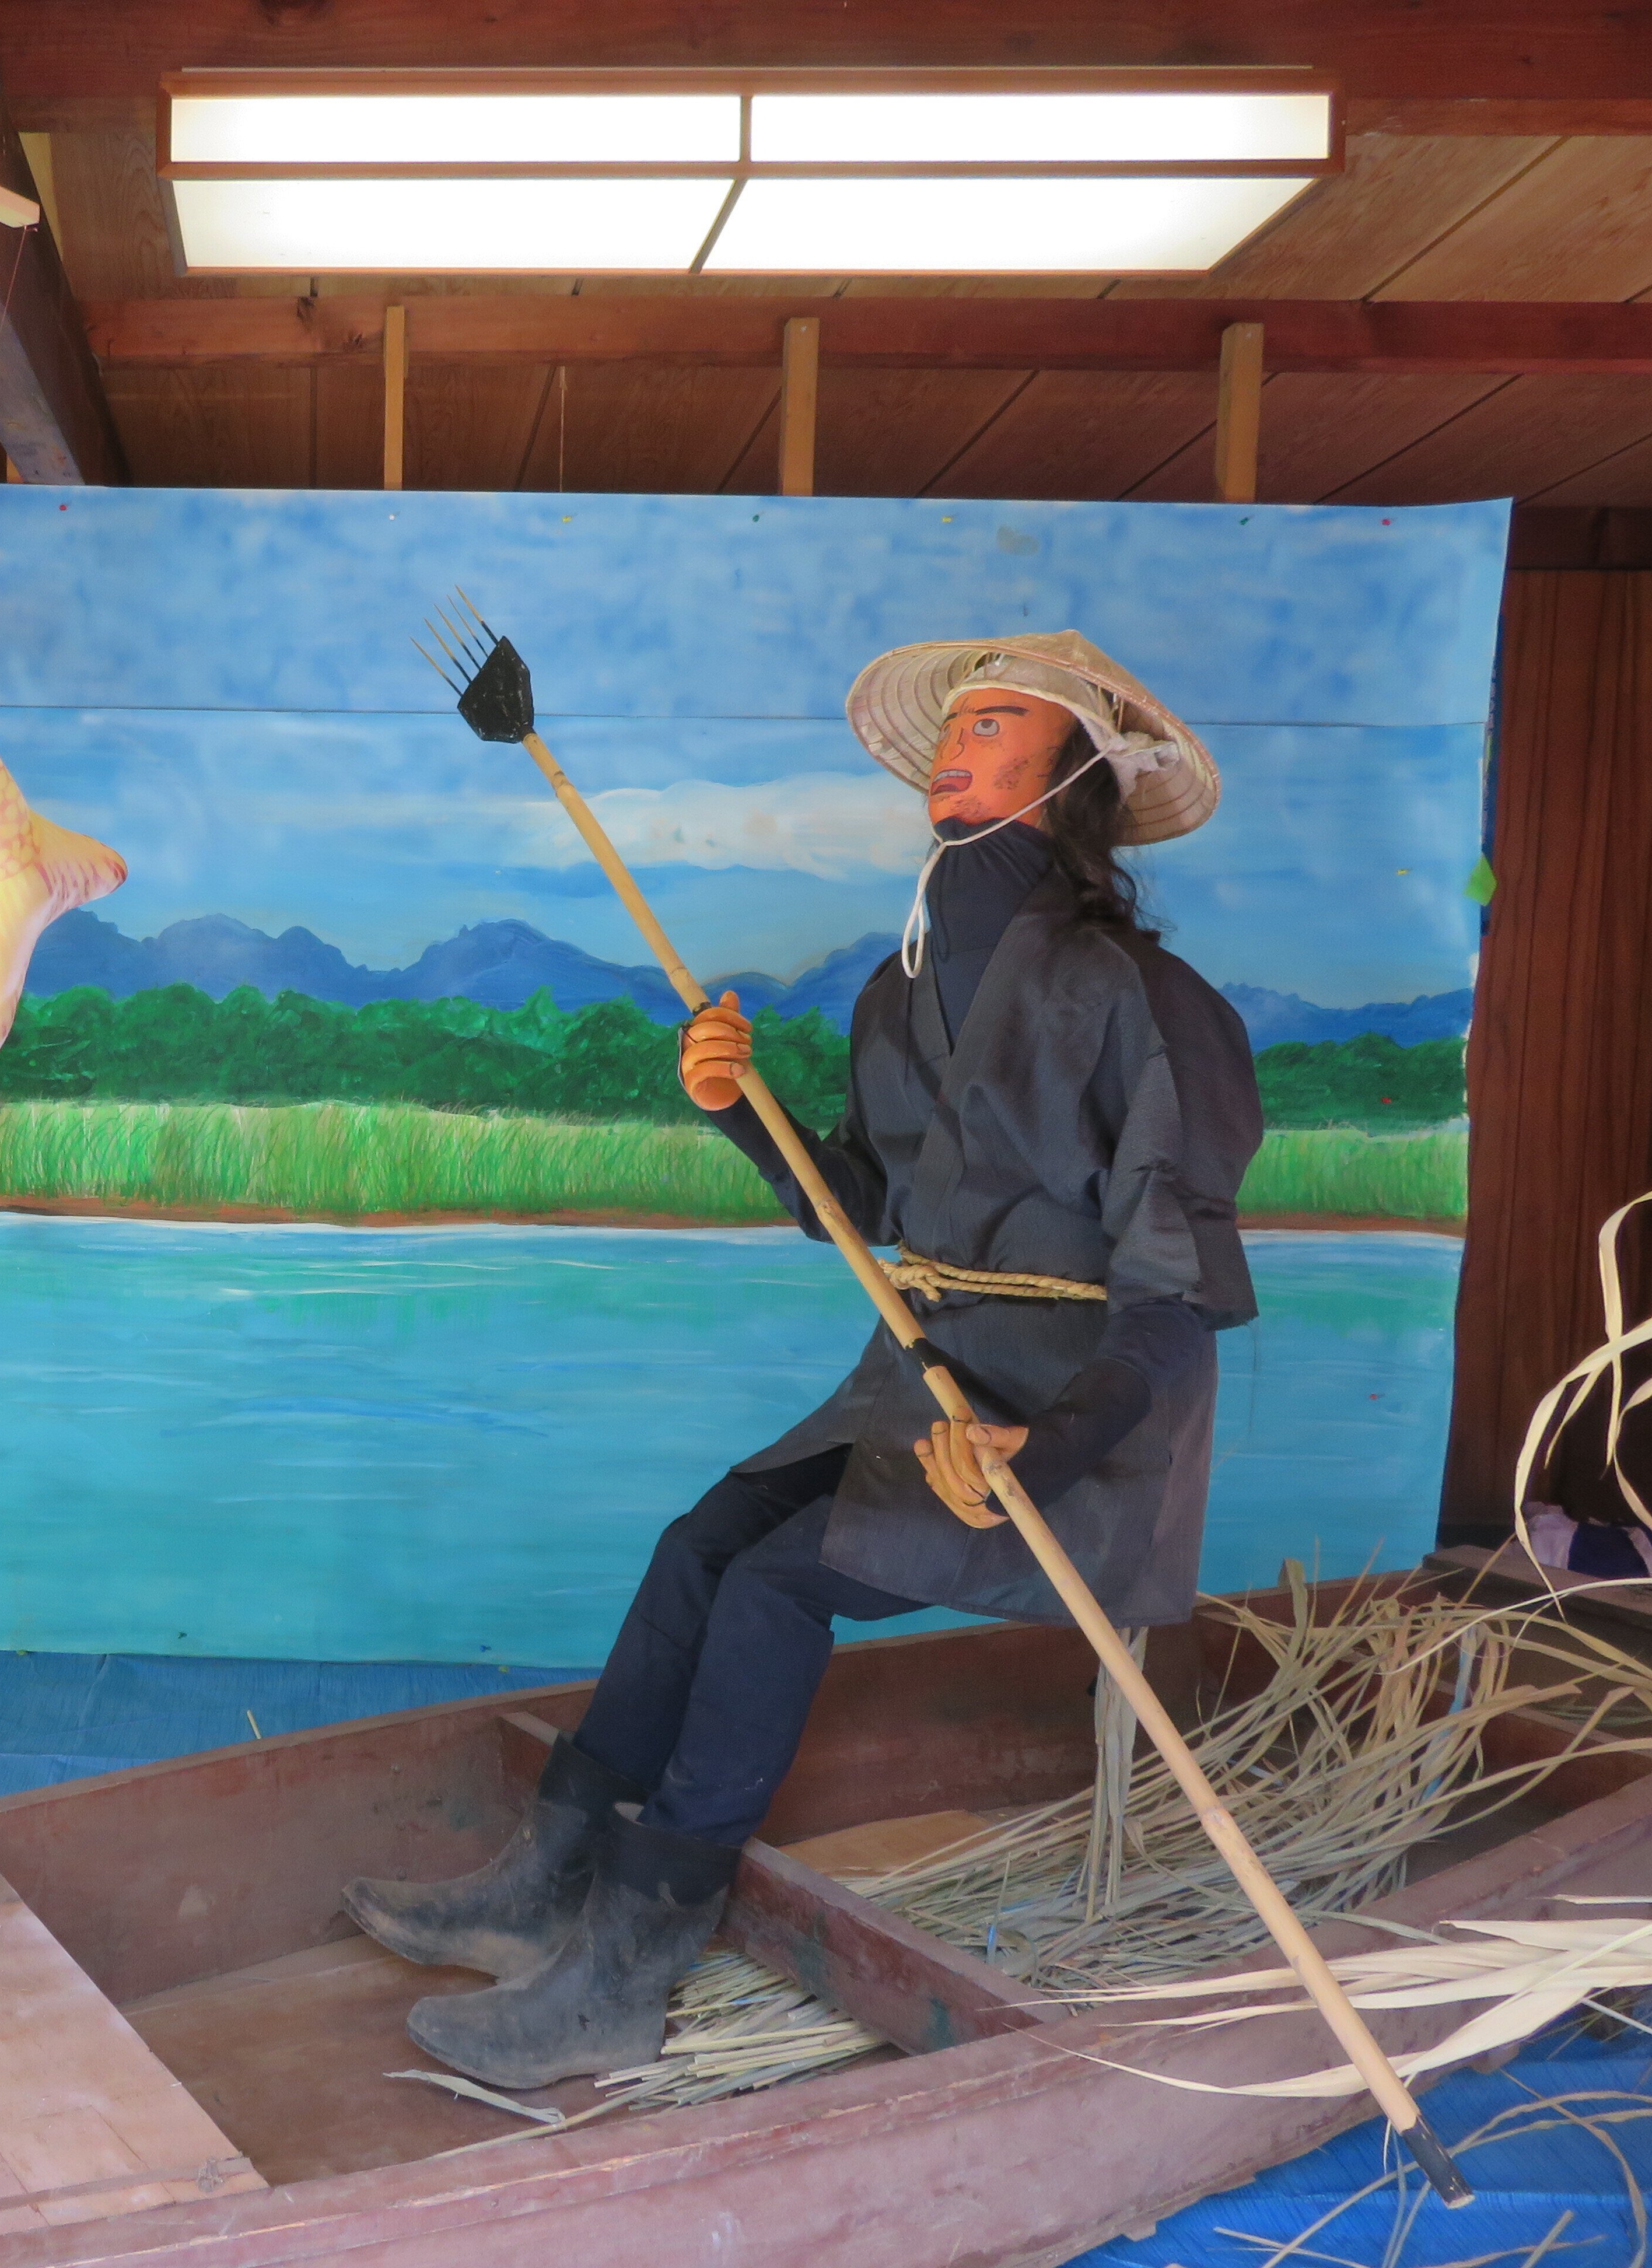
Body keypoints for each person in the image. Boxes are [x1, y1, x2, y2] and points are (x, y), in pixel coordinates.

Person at [346, 630, 1263, 2090]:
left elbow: (1174, 1292)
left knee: (775, 1591)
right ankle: (545, 1886)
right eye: (952, 723)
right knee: (706, 1539)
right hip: (926, 1378)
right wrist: (742, 1108)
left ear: (1073, 771)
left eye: (997, 719)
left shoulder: (1153, 1005)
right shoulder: (898, 997)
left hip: (1082, 1430)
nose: (955, 742)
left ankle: (627, 1973)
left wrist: (1055, 1443)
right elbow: (877, 1218)